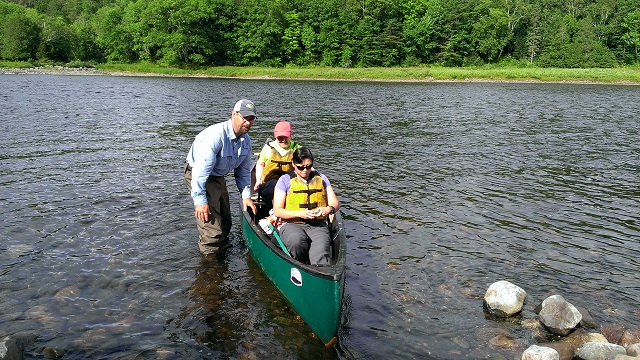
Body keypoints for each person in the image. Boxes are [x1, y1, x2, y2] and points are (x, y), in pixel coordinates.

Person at [184, 99, 257, 255]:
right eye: (244, 117)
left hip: (217, 174)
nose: (248, 122)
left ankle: (222, 256)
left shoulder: (246, 141)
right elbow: (200, 172)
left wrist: (246, 196)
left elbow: (243, 173)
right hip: (199, 174)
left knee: (225, 222)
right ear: (234, 114)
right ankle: (209, 268)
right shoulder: (215, 136)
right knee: (212, 231)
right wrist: (200, 201)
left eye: (251, 118)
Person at [272, 147, 340, 265]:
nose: (305, 170)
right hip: (291, 224)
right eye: (301, 167)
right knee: (296, 241)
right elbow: (277, 211)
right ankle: (299, 263)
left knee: (320, 253)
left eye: (308, 166)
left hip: (317, 225)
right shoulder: (284, 180)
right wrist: (299, 213)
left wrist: (328, 209)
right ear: (293, 164)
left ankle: (319, 272)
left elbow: (335, 203)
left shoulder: (322, 178)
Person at [253, 121, 300, 216]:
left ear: (291, 135)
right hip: (269, 183)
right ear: (275, 136)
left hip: (290, 183)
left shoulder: (297, 149)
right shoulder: (268, 148)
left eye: (285, 137)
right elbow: (260, 164)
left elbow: (306, 166)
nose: (283, 140)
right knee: (273, 187)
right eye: (280, 138)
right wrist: (258, 181)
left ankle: (290, 213)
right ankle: (272, 213)